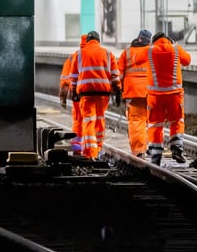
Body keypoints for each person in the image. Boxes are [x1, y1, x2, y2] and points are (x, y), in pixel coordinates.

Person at [69, 31, 121, 160]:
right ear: (98, 40)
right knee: (99, 119)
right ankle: (98, 148)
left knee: (88, 120)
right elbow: (114, 74)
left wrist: (74, 91)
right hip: (103, 93)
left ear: (87, 41)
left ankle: (91, 152)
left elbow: (74, 75)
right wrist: (118, 90)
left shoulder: (80, 54)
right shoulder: (108, 53)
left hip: (86, 93)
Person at [146, 32, 192, 165]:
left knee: (155, 125)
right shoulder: (176, 49)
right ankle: (177, 148)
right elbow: (187, 60)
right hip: (174, 95)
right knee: (176, 121)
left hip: (155, 97)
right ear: (168, 40)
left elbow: (135, 61)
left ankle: (155, 155)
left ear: (154, 41)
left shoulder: (149, 51)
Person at [118, 29, 152, 158]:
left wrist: (118, 91)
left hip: (133, 92)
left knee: (137, 121)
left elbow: (119, 73)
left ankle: (139, 150)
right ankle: (152, 147)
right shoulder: (152, 51)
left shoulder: (126, 52)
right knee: (152, 121)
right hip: (151, 91)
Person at [59, 35, 87, 156]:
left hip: (77, 95)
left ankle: (77, 148)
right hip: (95, 95)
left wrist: (63, 96)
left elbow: (65, 79)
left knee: (78, 120)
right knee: (93, 120)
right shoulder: (100, 54)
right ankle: (92, 148)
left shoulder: (73, 57)